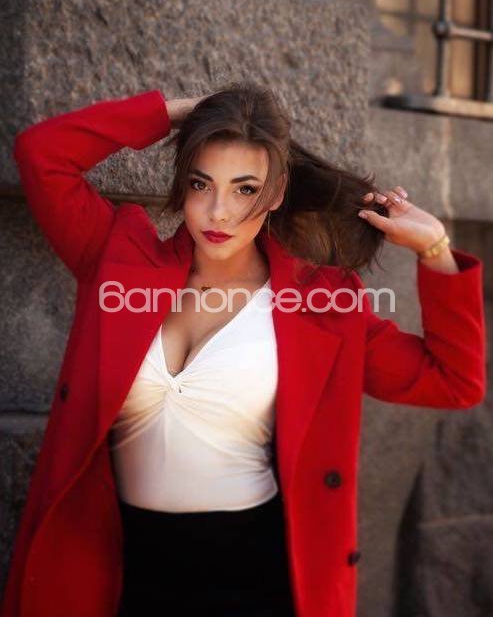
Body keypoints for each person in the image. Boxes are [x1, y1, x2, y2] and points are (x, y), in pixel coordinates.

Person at [1, 82, 486, 617]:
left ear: (276, 193)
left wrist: (434, 248)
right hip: (120, 570)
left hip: (256, 577)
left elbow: (453, 382)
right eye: (200, 183)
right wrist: (173, 114)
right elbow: (42, 154)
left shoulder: (319, 305)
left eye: (245, 189)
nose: (219, 212)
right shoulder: (119, 262)